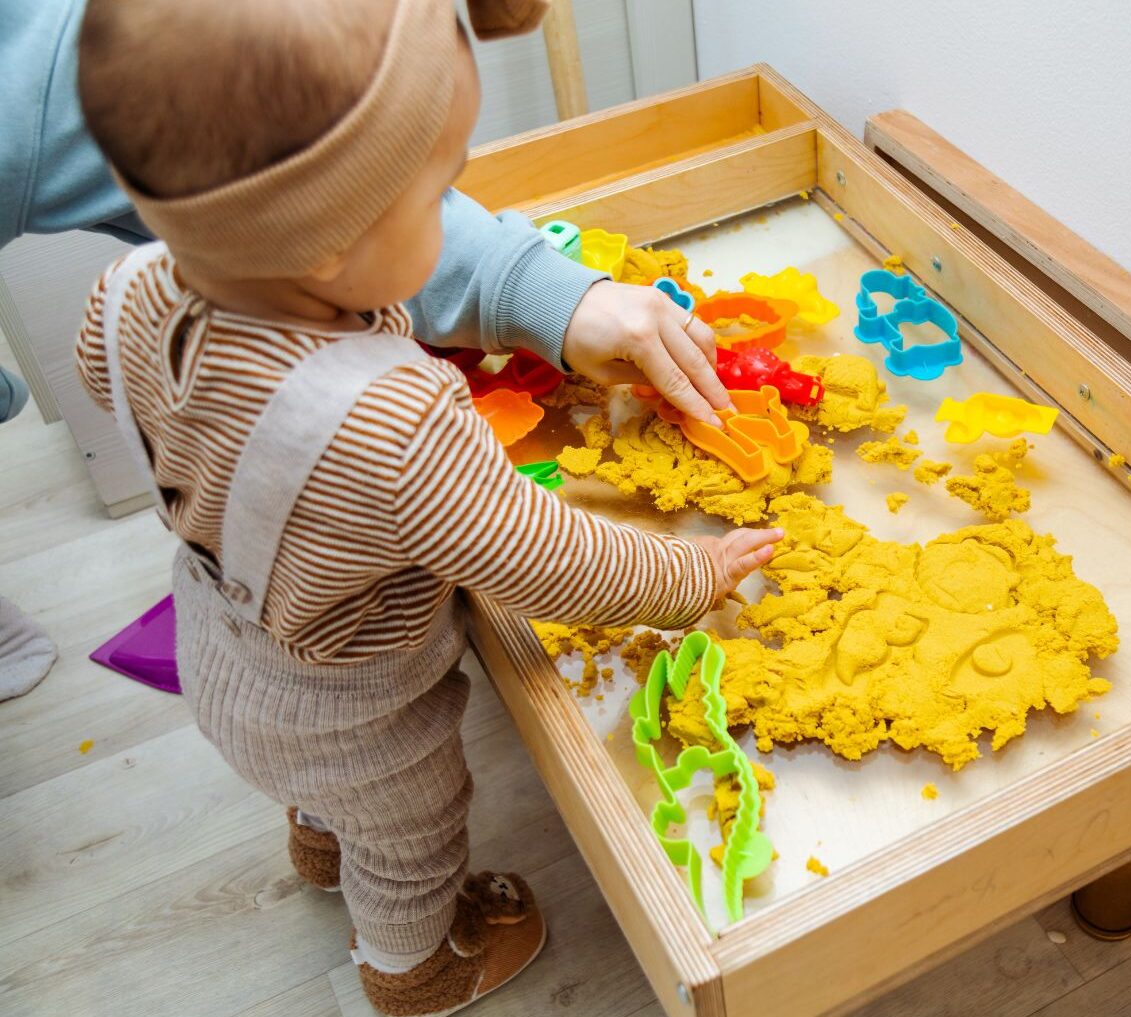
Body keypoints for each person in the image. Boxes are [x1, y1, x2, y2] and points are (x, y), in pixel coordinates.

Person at [67, 0, 782, 1013]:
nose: (458, 217)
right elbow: (541, 556)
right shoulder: (395, 423)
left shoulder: (131, 284)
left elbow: (107, 378)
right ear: (325, 246)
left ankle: (319, 839)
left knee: (326, 792)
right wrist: (686, 575)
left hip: (216, 640)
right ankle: (412, 967)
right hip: (357, 706)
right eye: (442, 191)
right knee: (411, 832)